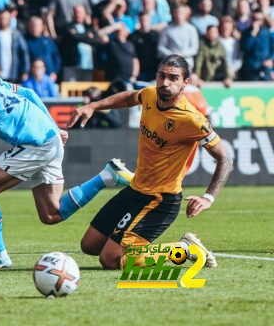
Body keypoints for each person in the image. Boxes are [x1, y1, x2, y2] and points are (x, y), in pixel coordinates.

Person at [0, 44, 131, 270]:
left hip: (34, 145)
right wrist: (54, 127)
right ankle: (107, 176)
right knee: (51, 214)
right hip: (48, 139)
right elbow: (29, 93)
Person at [69, 54, 233, 271]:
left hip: (160, 200)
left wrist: (208, 197)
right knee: (89, 245)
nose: (165, 83)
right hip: (135, 190)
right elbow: (129, 98)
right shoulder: (149, 95)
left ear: (186, 83)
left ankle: (185, 249)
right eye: (161, 76)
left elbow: (225, 157)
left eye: (173, 78)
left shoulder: (192, 120)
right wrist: (94, 106)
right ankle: (135, 248)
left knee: (109, 260)